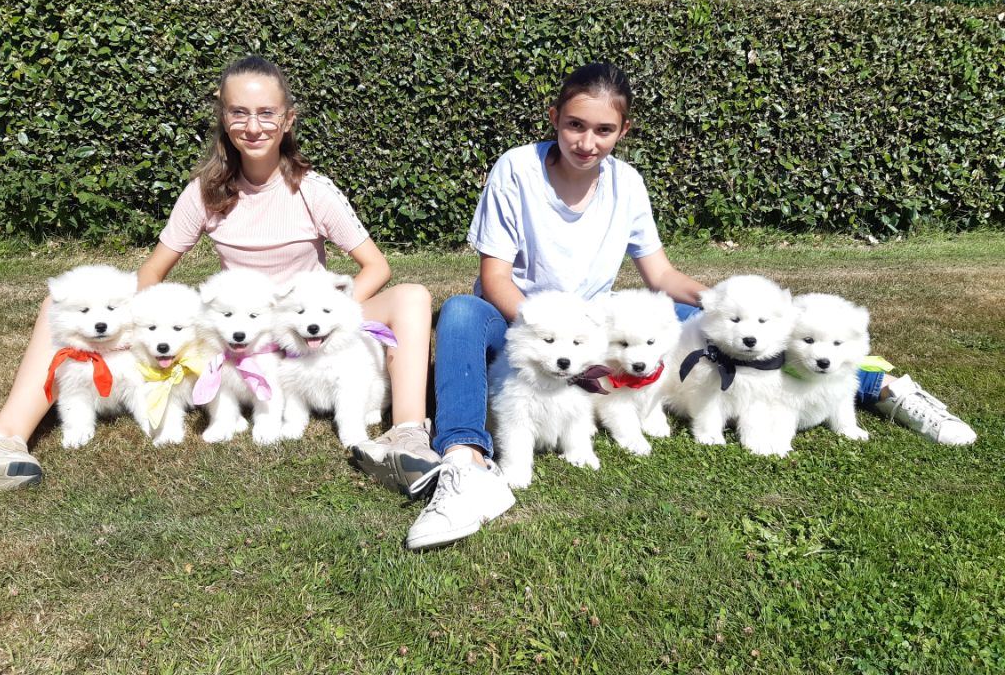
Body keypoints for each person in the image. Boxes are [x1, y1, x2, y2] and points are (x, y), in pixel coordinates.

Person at [352, 61, 978, 551]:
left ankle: (882, 388)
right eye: (575, 125)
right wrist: (555, 339)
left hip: (605, 325)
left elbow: (660, 273)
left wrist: (718, 301)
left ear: (623, 132)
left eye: (603, 130)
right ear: (554, 118)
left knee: (749, 334)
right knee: (459, 313)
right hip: (529, 322)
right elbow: (494, 280)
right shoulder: (515, 170)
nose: (587, 141)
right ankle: (463, 461)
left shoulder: (628, 184)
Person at [0, 55, 439, 491]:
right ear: (223, 117)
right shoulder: (204, 191)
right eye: (239, 112)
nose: (253, 125)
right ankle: (6, 436)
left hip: (298, 322)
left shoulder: (313, 190)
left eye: (266, 113)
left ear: (288, 119)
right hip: (236, 326)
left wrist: (323, 317)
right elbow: (154, 272)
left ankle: (407, 432)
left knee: (413, 295)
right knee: (57, 303)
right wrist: (121, 324)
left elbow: (376, 266)